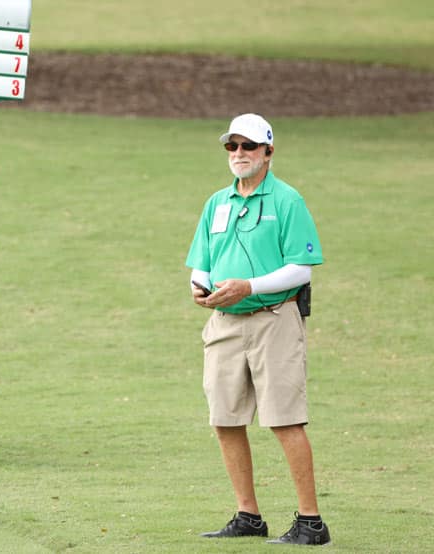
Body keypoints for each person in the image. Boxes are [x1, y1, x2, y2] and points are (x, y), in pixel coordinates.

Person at [185, 113, 330, 546]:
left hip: (274, 321)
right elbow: (202, 260)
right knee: (225, 419)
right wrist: (199, 285)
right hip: (225, 323)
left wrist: (249, 286)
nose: (239, 154)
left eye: (249, 146)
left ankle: (311, 522)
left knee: (285, 419)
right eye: (232, 146)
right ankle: (248, 514)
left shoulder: (287, 201)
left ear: (269, 151)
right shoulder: (218, 202)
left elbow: (301, 268)